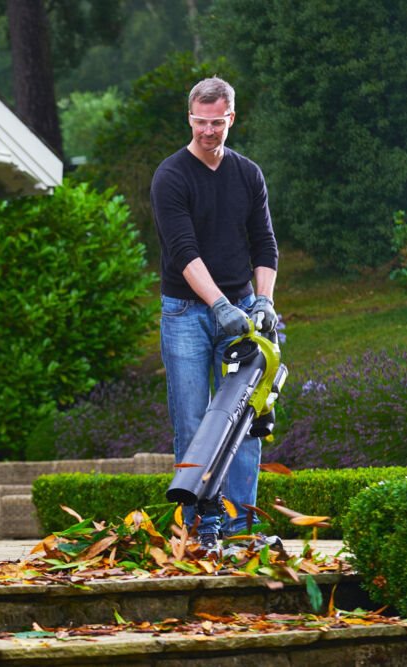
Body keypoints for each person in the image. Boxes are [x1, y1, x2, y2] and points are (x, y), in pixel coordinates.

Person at [151, 77, 279, 554]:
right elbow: (182, 250)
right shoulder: (172, 176)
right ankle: (198, 530)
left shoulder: (248, 175)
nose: (208, 131)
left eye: (217, 122)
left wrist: (261, 301)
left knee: (244, 420)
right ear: (190, 119)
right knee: (193, 423)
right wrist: (218, 304)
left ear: (231, 119)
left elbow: (264, 245)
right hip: (186, 311)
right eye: (200, 122)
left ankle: (240, 529)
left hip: (242, 312)